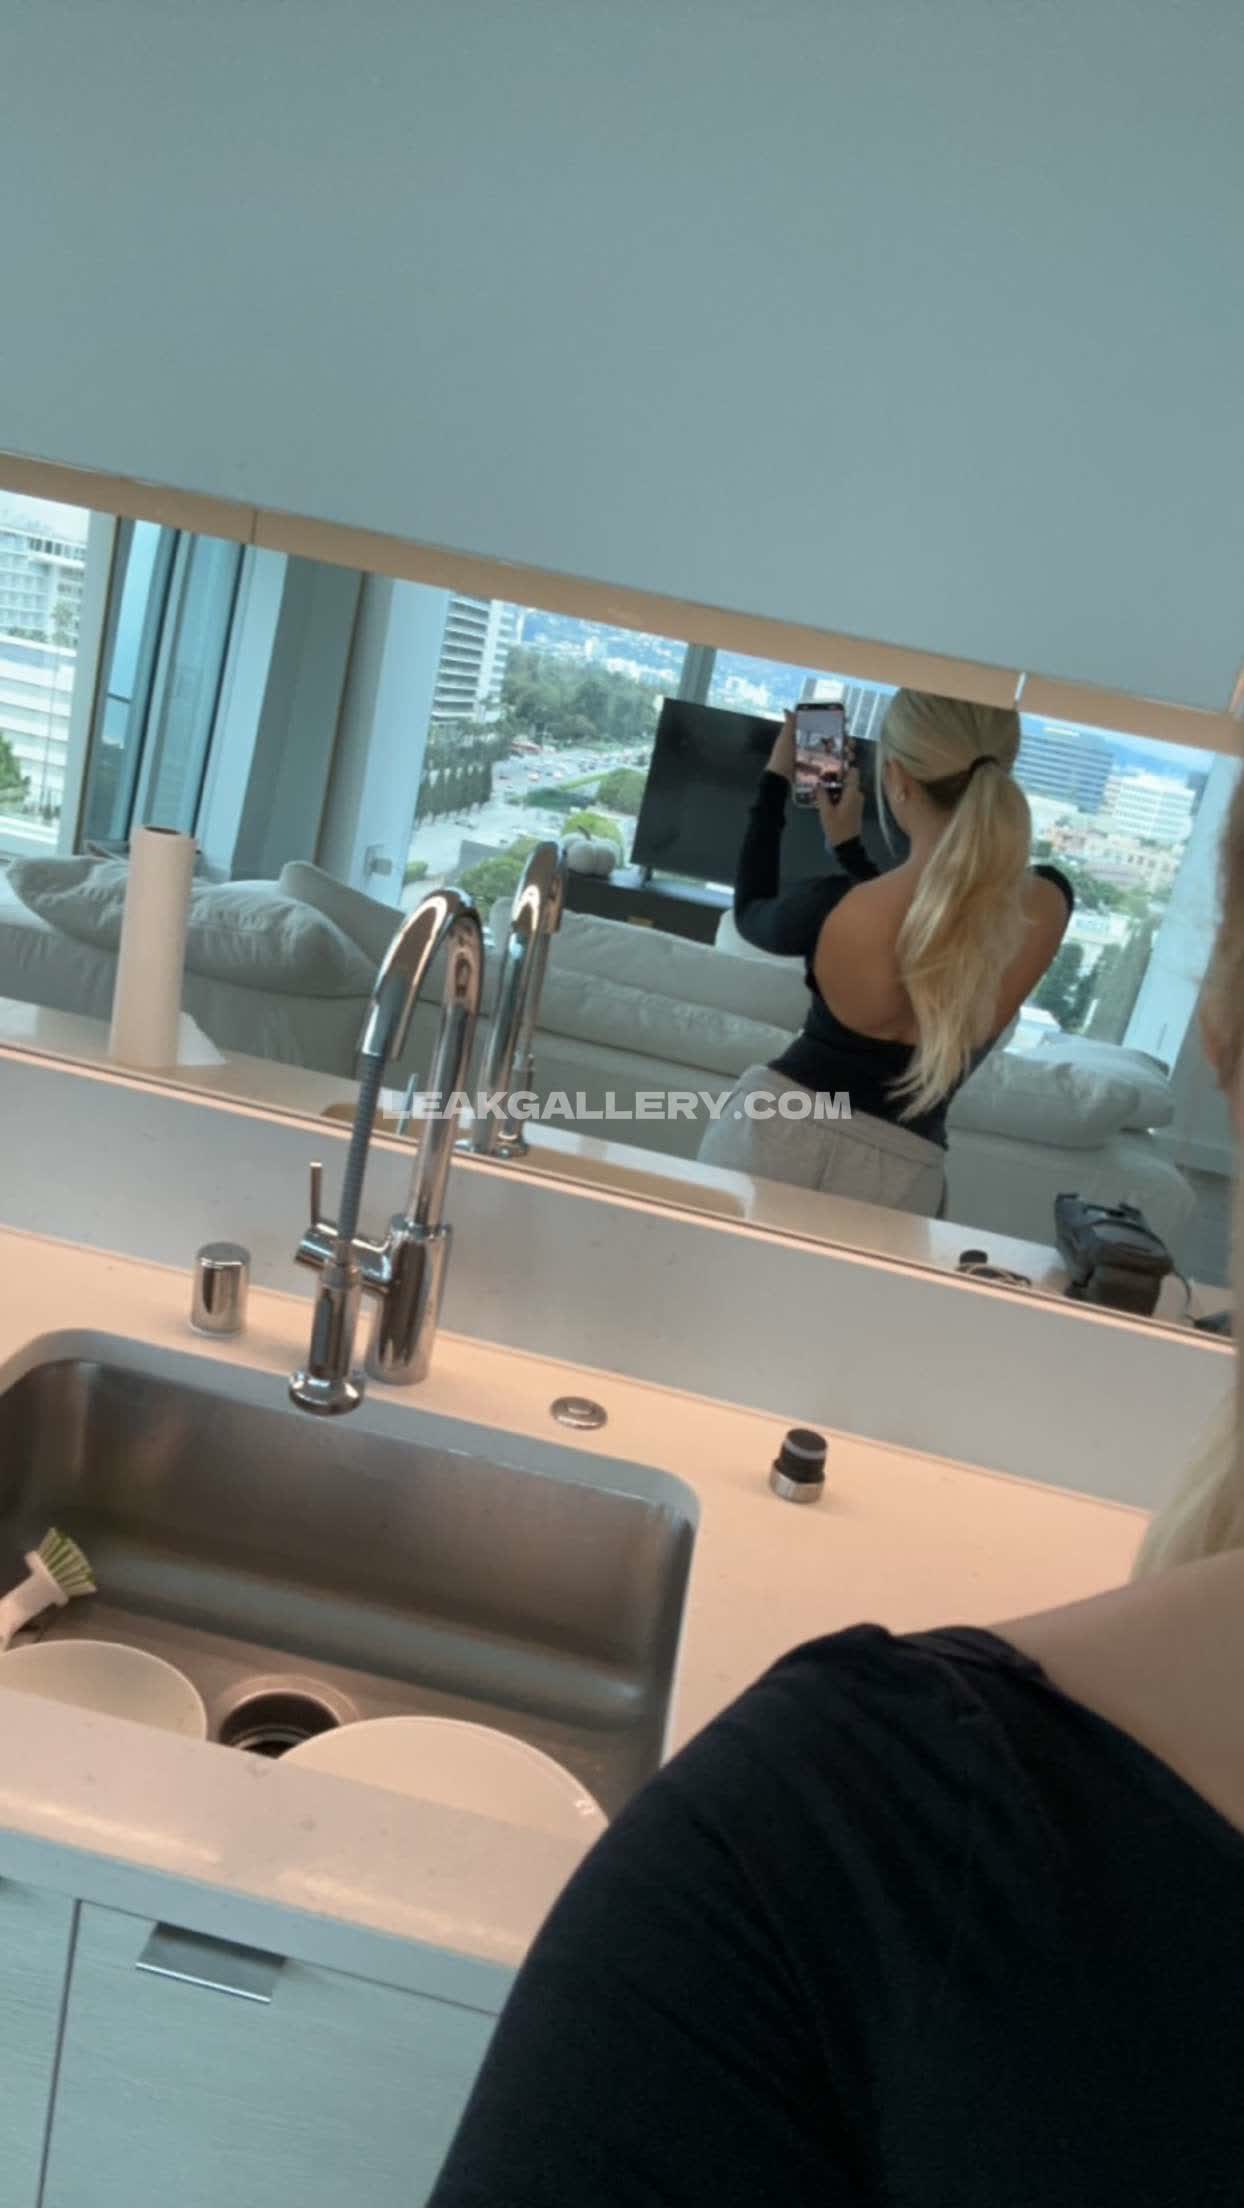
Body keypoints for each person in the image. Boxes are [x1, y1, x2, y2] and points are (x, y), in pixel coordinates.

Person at [428, 773, 1244, 2207]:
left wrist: (790, 810)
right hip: (907, 1152)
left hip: (780, 1118)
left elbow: (764, 919)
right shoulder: (1034, 907)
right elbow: (946, 958)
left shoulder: (836, 1826)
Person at [697, 688, 1073, 1215]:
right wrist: (849, 850)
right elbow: (935, 931)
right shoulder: (1047, 903)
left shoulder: (833, 908)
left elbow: (751, 910)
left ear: (895, 779)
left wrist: (778, 774)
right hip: (905, 1169)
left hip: (774, 1130)